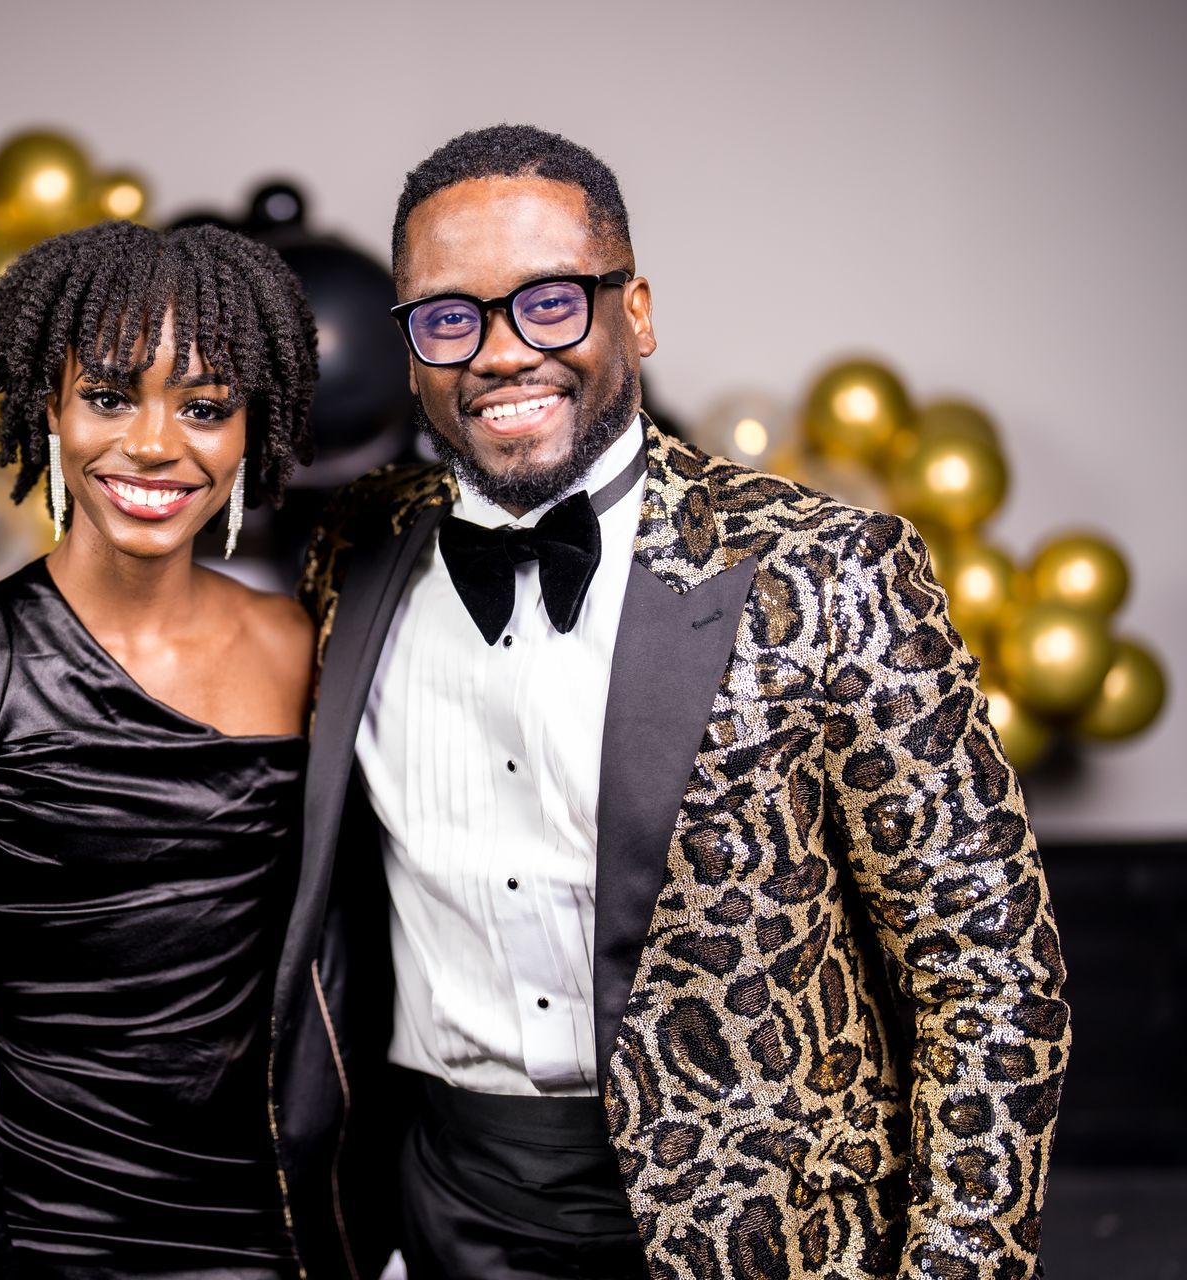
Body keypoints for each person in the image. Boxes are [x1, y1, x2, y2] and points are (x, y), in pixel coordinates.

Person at [272, 125, 1069, 1280]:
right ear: (409, 352)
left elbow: (991, 973)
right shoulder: (355, 552)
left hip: (767, 1232)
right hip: (452, 1201)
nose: (500, 352)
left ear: (633, 313)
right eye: (450, 315)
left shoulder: (828, 568)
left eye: (548, 301)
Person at [0, 220, 320, 1279]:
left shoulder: (305, 650)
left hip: (286, 1228)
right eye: (110, 396)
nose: (156, 443)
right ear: (47, 406)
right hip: (65, 1237)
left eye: (204, 407)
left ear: (254, 429)